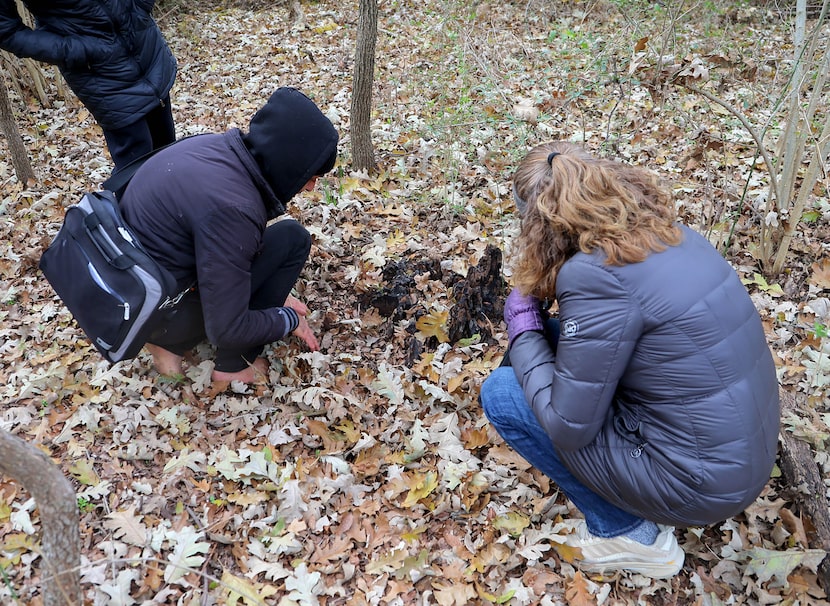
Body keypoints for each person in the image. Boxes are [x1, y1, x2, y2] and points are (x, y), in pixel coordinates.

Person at [480, 141, 780, 579]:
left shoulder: (592, 275)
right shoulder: (668, 233)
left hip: (699, 482)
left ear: (540, 223)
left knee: (504, 394)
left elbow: (568, 424)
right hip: (741, 455)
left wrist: (524, 327)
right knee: (556, 344)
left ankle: (630, 534)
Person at [118, 87, 338, 384]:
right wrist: (287, 320)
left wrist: (275, 296)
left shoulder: (216, 149)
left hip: (135, 288)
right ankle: (233, 366)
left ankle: (166, 340)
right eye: (310, 176)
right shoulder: (235, 208)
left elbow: (220, 248)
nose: (310, 187)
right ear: (290, 163)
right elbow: (227, 328)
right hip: (156, 308)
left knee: (285, 235)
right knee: (293, 240)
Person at [0, 0, 177, 169]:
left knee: (169, 156)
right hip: (100, 74)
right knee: (136, 172)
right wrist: (71, 49)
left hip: (146, 48)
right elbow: (6, 30)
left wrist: (139, 7)